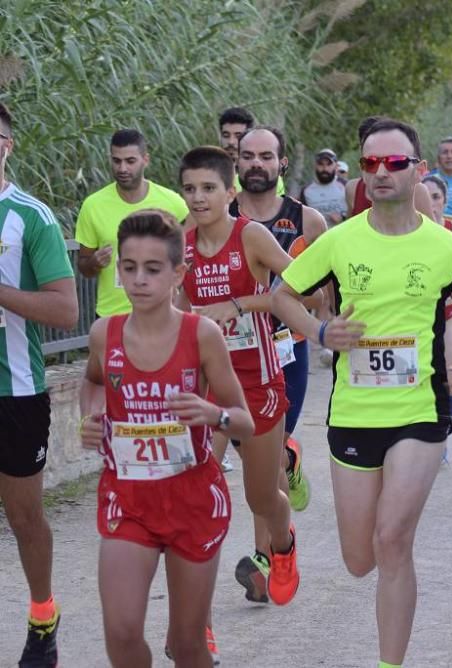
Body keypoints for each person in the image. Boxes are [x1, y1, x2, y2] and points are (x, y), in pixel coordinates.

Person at [272, 117, 452, 668]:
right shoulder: (341, 240)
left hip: (419, 412)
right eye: (370, 163)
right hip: (353, 414)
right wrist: (322, 333)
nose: (380, 173)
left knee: (393, 540)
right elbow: (280, 296)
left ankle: (389, 664)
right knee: (358, 558)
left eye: (394, 163)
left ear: (417, 170)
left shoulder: (445, 246)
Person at [79, 210, 253, 667]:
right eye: (129, 268)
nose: (139, 280)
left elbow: (244, 420)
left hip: (192, 497)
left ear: (177, 275)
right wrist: (91, 416)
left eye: (152, 269)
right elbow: (93, 382)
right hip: (128, 496)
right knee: (120, 633)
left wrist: (213, 414)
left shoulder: (203, 335)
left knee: (188, 645)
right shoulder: (104, 334)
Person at [178, 146, 301, 606]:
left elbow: (298, 291)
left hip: (257, 382)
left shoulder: (250, 237)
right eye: (189, 188)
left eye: (208, 188)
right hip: (206, 386)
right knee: (192, 494)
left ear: (230, 192)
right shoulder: (180, 246)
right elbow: (175, 310)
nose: (198, 197)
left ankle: (283, 547)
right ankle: (193, 617)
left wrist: (238, 306)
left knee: (262, 498)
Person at [0, 102, 79, 668]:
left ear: (6, 145)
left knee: (25, 517)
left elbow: (65, 308)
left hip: (16, 392)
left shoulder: (31, 216)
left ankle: (43, 615)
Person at [230, 127, 327, 516]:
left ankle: (273, 552)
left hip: (288, 350)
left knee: (265, 454)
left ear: (282, 163)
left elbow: (321, 296)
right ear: (236, 161)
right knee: (252, 450)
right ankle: (289, 461)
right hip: (232, 351)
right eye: (248, 156)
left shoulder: (308, 221)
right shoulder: (216, 216)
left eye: (266, 156)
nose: (256, 163)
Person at [75, 129, 188, 318]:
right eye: (116, 161)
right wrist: (94, 263)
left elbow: (192, 256)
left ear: (146, 160)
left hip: (162, 314)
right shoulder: (93, 205)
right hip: (112, 314)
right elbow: (84, 266)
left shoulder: (174, 203)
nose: (122, 169)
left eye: (130, 161)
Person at [422, 173, 452, 421]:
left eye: (436, 197)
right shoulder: (404, 233)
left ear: (445, 201)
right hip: (416, 315)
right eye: (425, 197)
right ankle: (435, 435)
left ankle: (445, 422)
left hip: (450, 313)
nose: (430, 203)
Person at [217, 107, 285, 196]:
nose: (231, 142)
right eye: (226, 135)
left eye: (238, 136)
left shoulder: (267, 178)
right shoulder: (207, 172)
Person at [301, 148, 348, 227]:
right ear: (315, 166)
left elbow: (358, 213)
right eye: (321, 164)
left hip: (343, 236)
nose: (325, 169)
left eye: (329, 164)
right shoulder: (306, 191)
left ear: (336, 166)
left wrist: (343, 217)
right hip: (317, 238)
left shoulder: (346, 186)